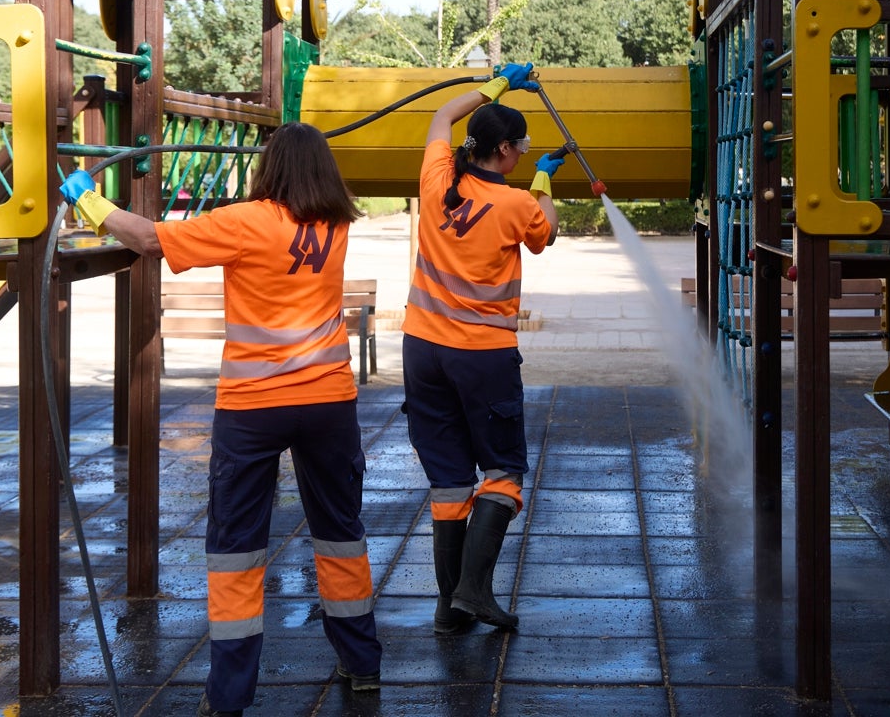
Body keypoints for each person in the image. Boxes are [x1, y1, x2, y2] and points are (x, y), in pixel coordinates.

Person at [59, 121, 382, 717]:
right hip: (328, 403)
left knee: (236, 548)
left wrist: (87, 197)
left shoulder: (247, 220)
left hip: (255, 408)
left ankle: (229, 698)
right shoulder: (335, 225)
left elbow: (151, 239)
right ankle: (361, 663)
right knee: (340, 532)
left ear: (272, 167)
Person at [401, 62, 562, 634]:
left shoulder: (437, 176)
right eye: (520, 148)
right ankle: (473, 591)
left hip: (422, 350)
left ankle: (450, 610)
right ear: (503, 148)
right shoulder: (518, 204)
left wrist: (497, 86)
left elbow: (443, 113)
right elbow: (547, 232)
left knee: (448, 480)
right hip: (482, 355)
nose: (523, 155)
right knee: (503, 472)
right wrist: (544, 180)